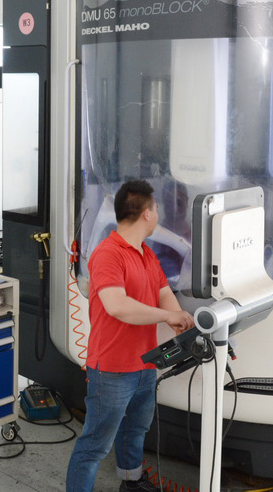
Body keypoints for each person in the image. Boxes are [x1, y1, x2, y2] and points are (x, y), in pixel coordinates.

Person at [66, 179, 195, 492]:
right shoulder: (107, 254)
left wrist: (181, 320)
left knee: (135, 431)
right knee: (96, 444)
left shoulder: (146, 254)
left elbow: (163, 293)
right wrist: (167, 316)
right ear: (147, 214)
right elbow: (118, 306)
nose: (159, 215)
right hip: (112, 369)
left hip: (145, 364)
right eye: (156, 209)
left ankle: (132, 482)